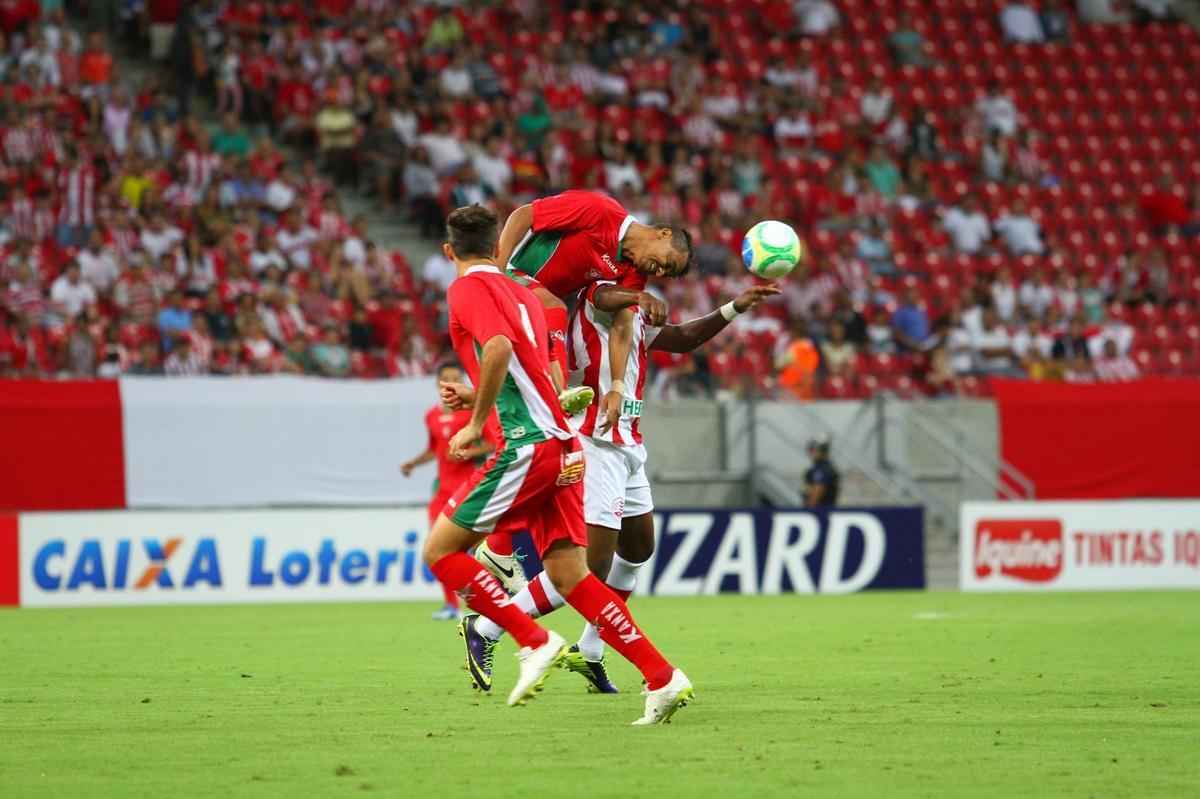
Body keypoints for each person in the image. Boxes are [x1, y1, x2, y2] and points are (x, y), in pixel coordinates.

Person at [423, 205, 693, 723]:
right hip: (566, 441)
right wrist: (479, 396)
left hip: (528, 444)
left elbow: (497, 348)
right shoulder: (530, 297)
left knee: (440, 551)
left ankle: (528, 637)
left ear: (448, 251)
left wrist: (475, 422)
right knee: (573, 574)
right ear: (497, 246)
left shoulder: (471, 290)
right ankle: (662, 677)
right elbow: (537, 373)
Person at [463, 273, 779, 693]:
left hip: (628, 445)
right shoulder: (599, 297)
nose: (665, 269)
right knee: (587, 567)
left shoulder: (635, 319)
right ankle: (488, 626)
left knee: (637, 549)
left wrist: (735, 307)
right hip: (593, 443)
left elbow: (685, 338)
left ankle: (589, 650)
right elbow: (606, 295)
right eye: (662, 258)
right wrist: (637, 294)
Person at [494, 190, 692, 404]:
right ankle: (559, 393)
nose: (660, 272)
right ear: (664, 234)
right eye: (668, 263)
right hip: (512, 273)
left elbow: (622, 324)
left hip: (536, 305)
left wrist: (617, 387)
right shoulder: (600, 210)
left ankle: (554, 395)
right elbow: (523, 215)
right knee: (556, 308)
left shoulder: (634, 272)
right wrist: (495, 273)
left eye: (667, 272)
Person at [402, 361, 510, 620]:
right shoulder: (431, 415)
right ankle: (451, 606)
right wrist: (413, 463)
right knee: (436, 548)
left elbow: (493, 443)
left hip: (468, 488)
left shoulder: (474, 411)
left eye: (456, 378)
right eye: (446, 378)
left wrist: (469, 452)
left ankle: (494, 598)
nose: (451, 382)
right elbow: (434, 449)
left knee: (477, 549)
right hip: (441, 490)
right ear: (438, 383)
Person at [803, 436, 840, 507]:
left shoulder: (822, 469)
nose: (810, 453)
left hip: (820, 510)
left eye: (812, 450)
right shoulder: (821, 468)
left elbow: (817, 492)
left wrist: (808, 508)